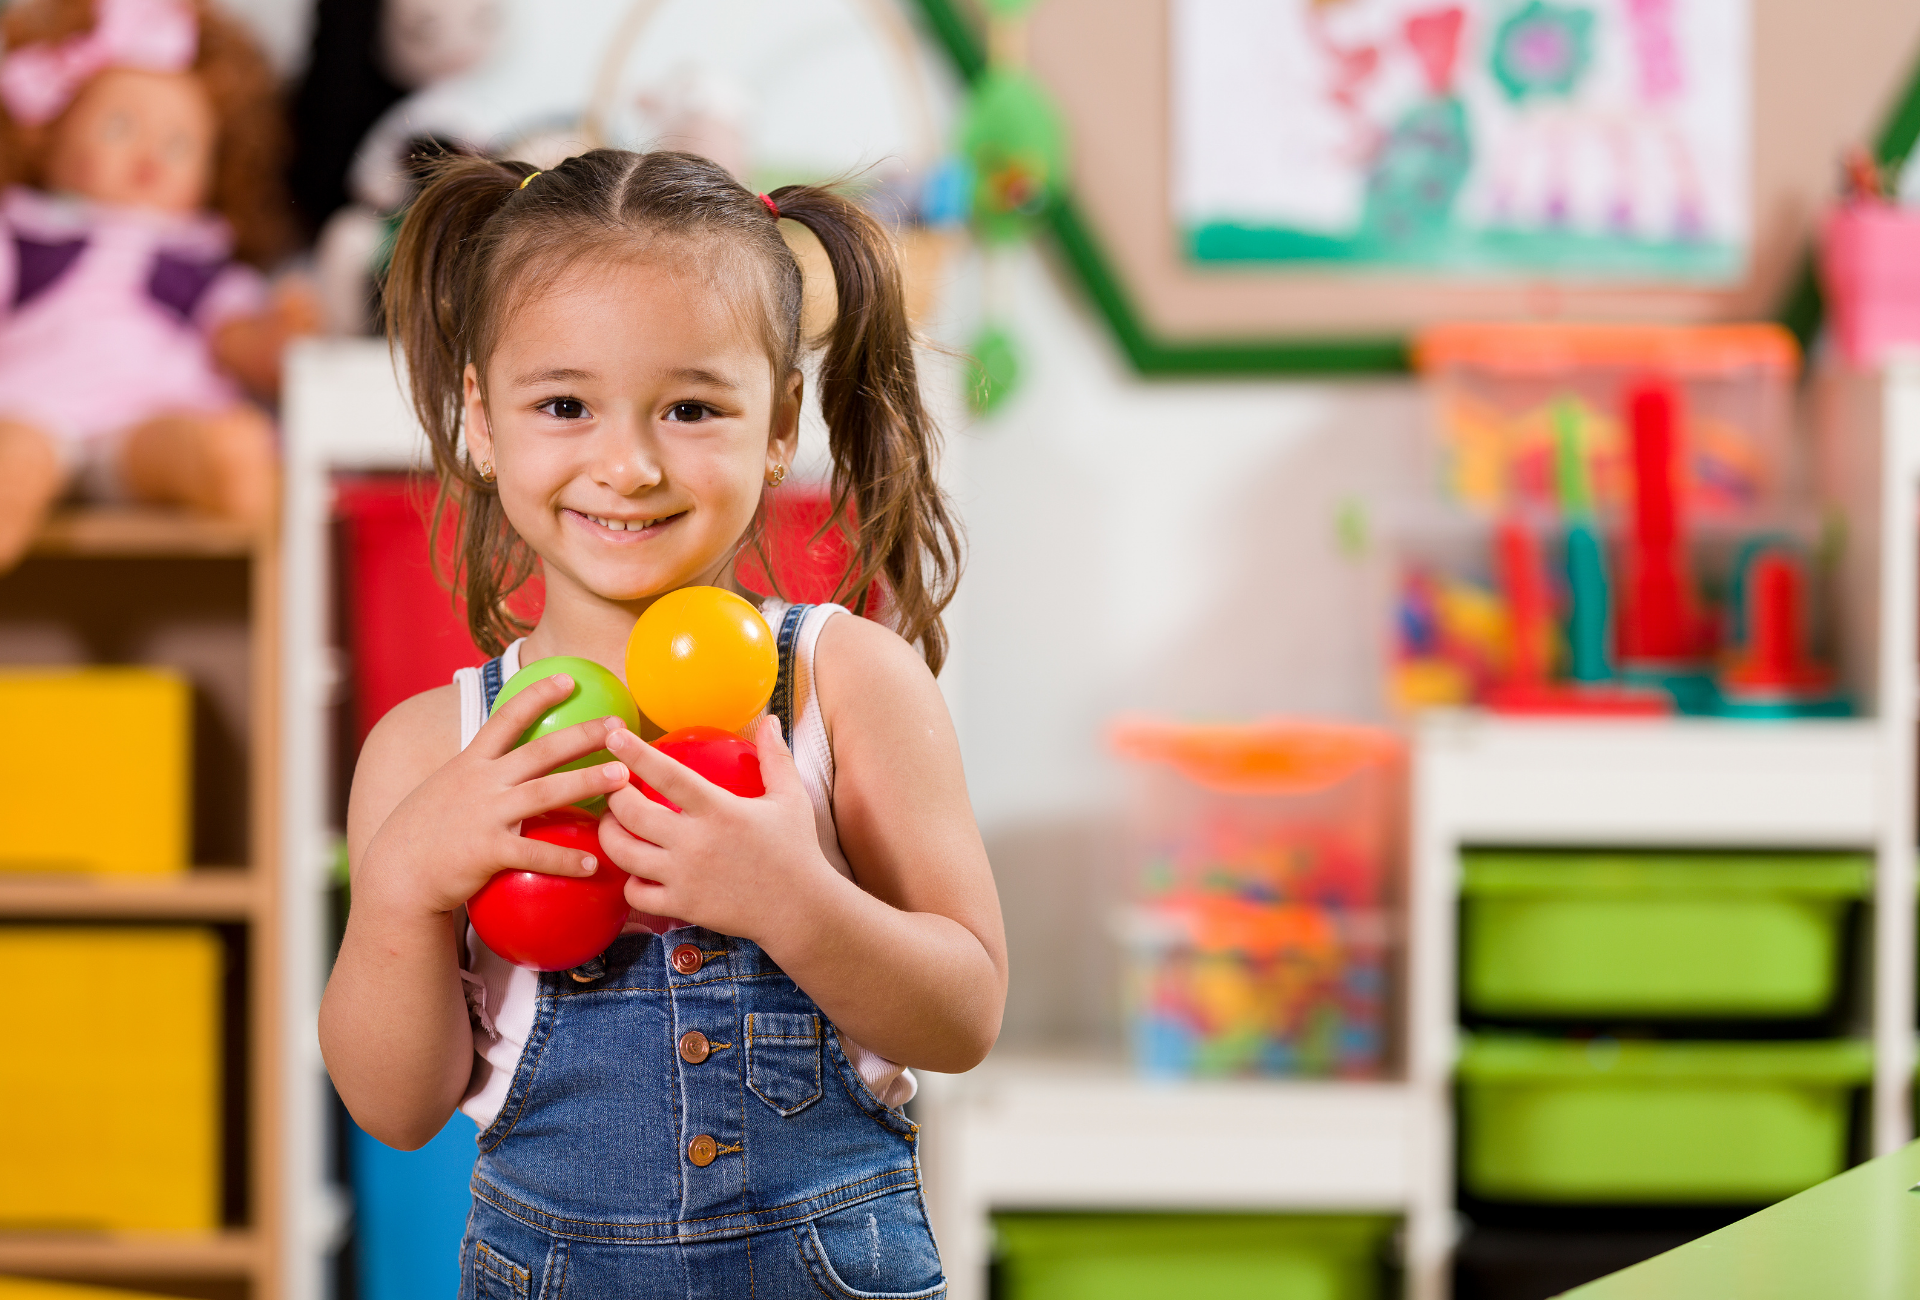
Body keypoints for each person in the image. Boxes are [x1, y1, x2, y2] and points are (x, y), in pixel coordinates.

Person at [319, 148, 1004, 1298]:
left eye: (691, 407)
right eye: (564, 404)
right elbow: (396, 1108)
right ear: (482, 420)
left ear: (779, 420)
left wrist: (796, 898)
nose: (627, 464)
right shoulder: (427, 749)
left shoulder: (849, 685)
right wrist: (402, 887)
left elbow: (964, 1010)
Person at [0, 0, 313, 568]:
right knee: (12, 463)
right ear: (47, 132)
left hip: (150, 421)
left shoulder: (194, 260)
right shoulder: (24, 233)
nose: (150, 156)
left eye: (178, 145)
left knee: (217, 446)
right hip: (34, 410)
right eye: (119, 126)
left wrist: (274, 338)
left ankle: (224, 469)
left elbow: (233, 334)